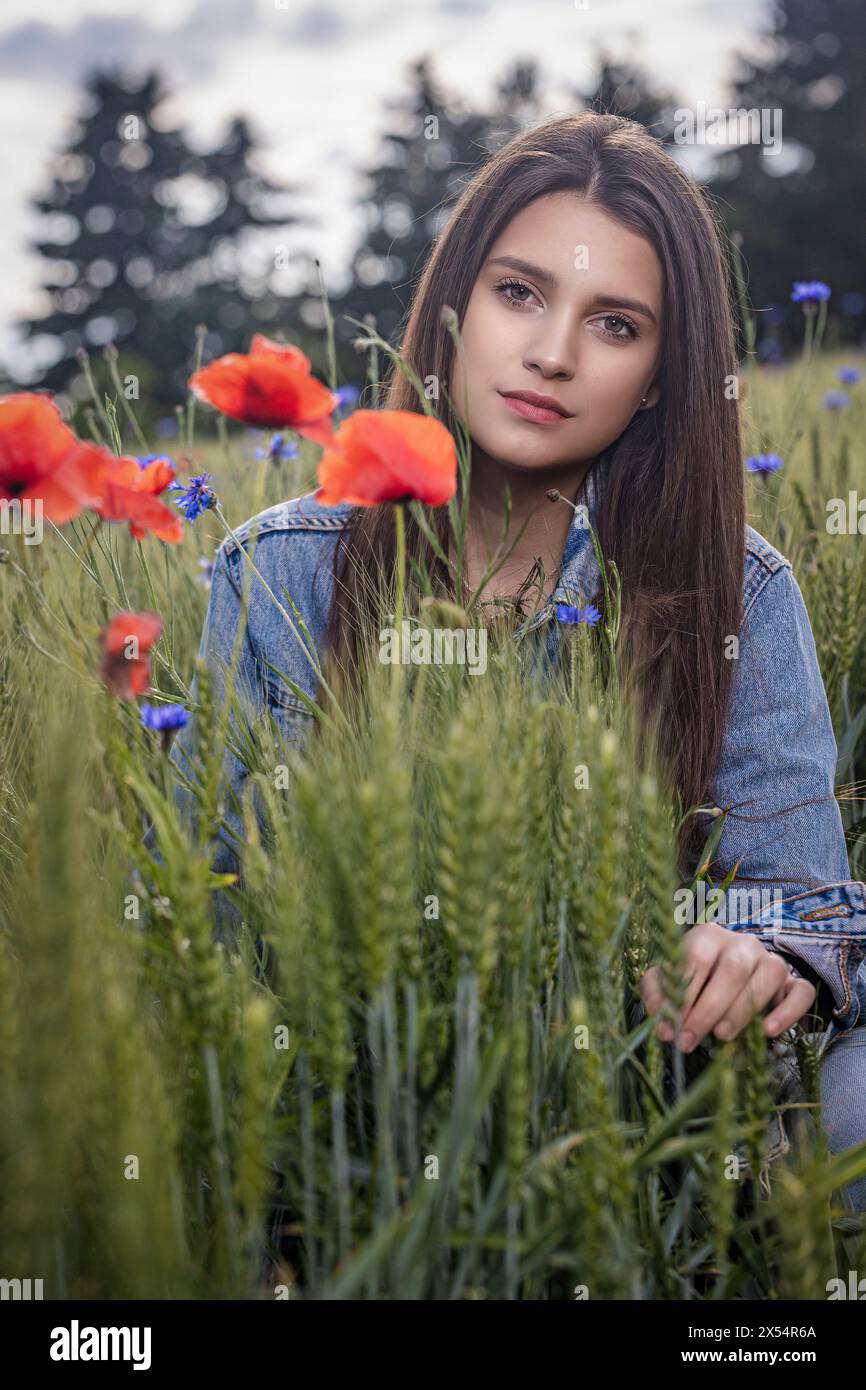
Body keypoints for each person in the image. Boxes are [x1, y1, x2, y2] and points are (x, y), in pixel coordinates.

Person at [169, 112, 866, 1209]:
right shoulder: (277, 576)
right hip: (354, 1089)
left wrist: (759, 956)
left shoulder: (741, 590)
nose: (551, 353)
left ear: (654, 377)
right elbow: (201, 911)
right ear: (450, 311)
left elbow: (807, 903)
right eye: (518, 293)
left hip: (646, 1084)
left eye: (616, 322)